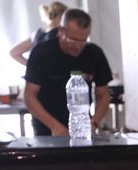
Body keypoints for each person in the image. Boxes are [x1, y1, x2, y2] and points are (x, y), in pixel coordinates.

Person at [23, 8, 113, 137]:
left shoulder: (94, 53)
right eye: (74, 40)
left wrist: (94, 122)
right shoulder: (42, 53)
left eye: (84, 40)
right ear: (61, 30)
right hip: (47, 129)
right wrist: (55, 127)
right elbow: (30, 96)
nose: (78, 46)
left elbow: (103, 94)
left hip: (80, 129)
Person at [9, 1, 67, 66]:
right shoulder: (63, 33)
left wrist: (32, 67)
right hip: (56, 74)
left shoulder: (36, 34)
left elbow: (13, 52)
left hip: (37, 75)